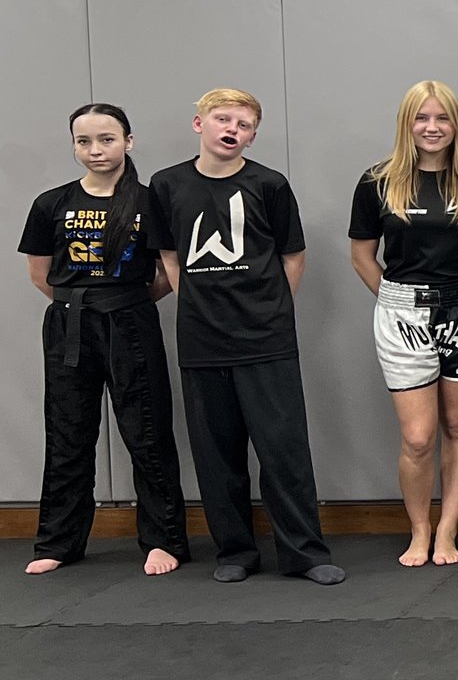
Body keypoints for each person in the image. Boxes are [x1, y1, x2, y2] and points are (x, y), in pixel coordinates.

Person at [149, 88, 343, 585]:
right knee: (217, 454)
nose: (231, 129)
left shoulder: (269, 185)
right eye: (222, 118)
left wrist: (273, 311)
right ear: (200, 124)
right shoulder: (166, 185)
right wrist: (197, 304)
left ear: (253, 136)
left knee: (284, 450)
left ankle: (304, 553)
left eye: (244, 124)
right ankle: (235, 551)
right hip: (201, 340)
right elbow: (169, 257)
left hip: (266, 339)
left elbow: (292, 255)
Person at [348, 81, 458, 568]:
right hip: (402, 312)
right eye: (423, 118)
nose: (432, 128)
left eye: (442, 119)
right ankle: (418, 530)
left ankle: (447, 531)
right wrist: (400, 304)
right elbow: (361, 257)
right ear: (407, 124)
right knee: (418, 437)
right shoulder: (377, 181)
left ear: (456, 124)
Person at [20, 103, 186, 576]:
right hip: (69, 325)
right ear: (73, 145)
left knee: (147, 430)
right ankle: (59, 541)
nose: (95, 150)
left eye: (107, 139)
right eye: (84, 141)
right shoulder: (51, 203)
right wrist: (83, 304)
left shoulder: (149, 201)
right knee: (68, 431)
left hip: (130, 321)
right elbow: (39, 272)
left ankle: (163, 539)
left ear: (128, 142)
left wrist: (124, 302)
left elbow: (165, 273)